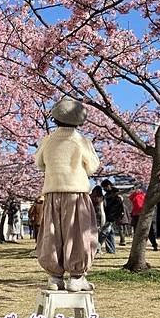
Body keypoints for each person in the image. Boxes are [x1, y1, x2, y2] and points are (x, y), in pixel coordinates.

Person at [35, 97, 100, 292]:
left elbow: (39, 163)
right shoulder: (81, 140)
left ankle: (55, 277)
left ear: (55, 118)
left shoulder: (48, 139)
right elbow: (93, 166)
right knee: (78, 233)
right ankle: (77, 277)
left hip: (52, 192)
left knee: (52, 233)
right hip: (76, 192)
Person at [129, 185, 158, 250]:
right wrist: (135, 192)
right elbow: (130, 198)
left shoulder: (145, 195)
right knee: (136, 231)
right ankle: (137, 245)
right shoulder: (134, 195)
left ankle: (154, 244)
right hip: (136, 215)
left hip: (144, 214)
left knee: (149, 231)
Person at [99, 179, 124, 254]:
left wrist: (114, 216)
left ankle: (97, 248)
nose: (104, 189)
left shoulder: (116, 194)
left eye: (105, 187)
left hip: (111, 216)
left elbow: (117, 207)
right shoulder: (108, 194)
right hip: (109, 215)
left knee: (104, 232)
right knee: (110, 233)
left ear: (109, 186)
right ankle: (111, 250)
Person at [90, 185, 106, 255]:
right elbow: (102, 211)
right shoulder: (101, 198)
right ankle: (97, 250)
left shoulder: (89, 197)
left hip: (90, 218)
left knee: (92, 236)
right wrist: (103, 221)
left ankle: (95, 249)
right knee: (96, 236)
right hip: (98, 219)